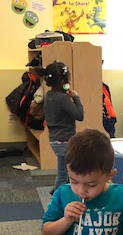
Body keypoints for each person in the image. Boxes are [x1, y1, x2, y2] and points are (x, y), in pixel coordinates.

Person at [41, 129, 123, 235]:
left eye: (91, 185)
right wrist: (66, 220)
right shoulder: (63, 194)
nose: (81, 191)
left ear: (109, 175)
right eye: (74, 181)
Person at [41, 61, 84, 195]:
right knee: (63, 174)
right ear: (64, 80)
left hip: (54, 139)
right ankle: (57, 198)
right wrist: (76, 98)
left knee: (64, 170)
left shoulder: (49, 95)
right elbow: (80, 115)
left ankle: (58, 191)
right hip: (64, 141)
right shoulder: (63, 99)